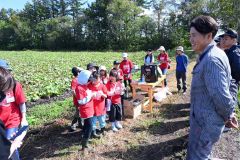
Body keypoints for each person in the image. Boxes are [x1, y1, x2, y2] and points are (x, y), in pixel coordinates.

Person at [187, 15, 239, 159]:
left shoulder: (211, 60)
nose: (191, 39)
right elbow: (230, 84)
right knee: (203, 154)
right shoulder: (212, 54)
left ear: (209, 35)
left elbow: (221, 96)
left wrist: (228, 115)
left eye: (194, 35)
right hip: (203, 120)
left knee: (197, 157)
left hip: (205, 125)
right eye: (190, 35)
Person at [0, 60, 28, 160]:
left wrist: (24, 118)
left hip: (12, 120)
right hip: (1, 123)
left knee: (11, 144)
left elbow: (21, 102)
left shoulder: (15, 85)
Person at [75, 70, 96, 151]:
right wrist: (91, 95)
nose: (89, 82)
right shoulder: (79, 88)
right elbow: (81, 101)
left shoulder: (84, 85)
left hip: (89, 109)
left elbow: (87, 94)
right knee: (90, 126)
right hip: (86, 110)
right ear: (84, 79)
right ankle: (84, 145)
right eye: (88, 80)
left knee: (87, 125)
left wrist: (91, 93)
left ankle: (85, 139)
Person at [88, 71, 107, 138]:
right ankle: (93, 132)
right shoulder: (89, 85)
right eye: (94, 79)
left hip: (100, 107)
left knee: (101, 120)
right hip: (92, 107)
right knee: (93, 121)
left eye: (97, 79)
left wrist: (102, 94)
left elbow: (106, 96)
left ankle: (103, 129)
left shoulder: (102, 86)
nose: (95, 81)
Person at [70, 67, 83, 132]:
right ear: (78, 72)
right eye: (79, 71)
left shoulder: (79, 79)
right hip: (77, 99)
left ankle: (80, 124)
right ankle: (73, 124)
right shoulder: (75, 80)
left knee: (80, 111)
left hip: (81, 98)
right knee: (78, 111)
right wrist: (78, 98)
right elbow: (73, 91)